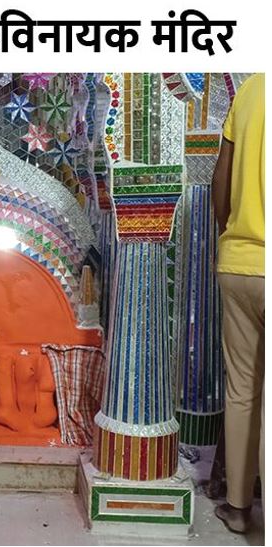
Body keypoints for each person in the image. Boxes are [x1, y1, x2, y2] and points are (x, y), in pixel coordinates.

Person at [211, 73, 265, 534]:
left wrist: (230, 236)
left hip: (240, 264)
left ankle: (238, 508)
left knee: (243, 389)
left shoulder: (251, 90)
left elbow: (221, 181)